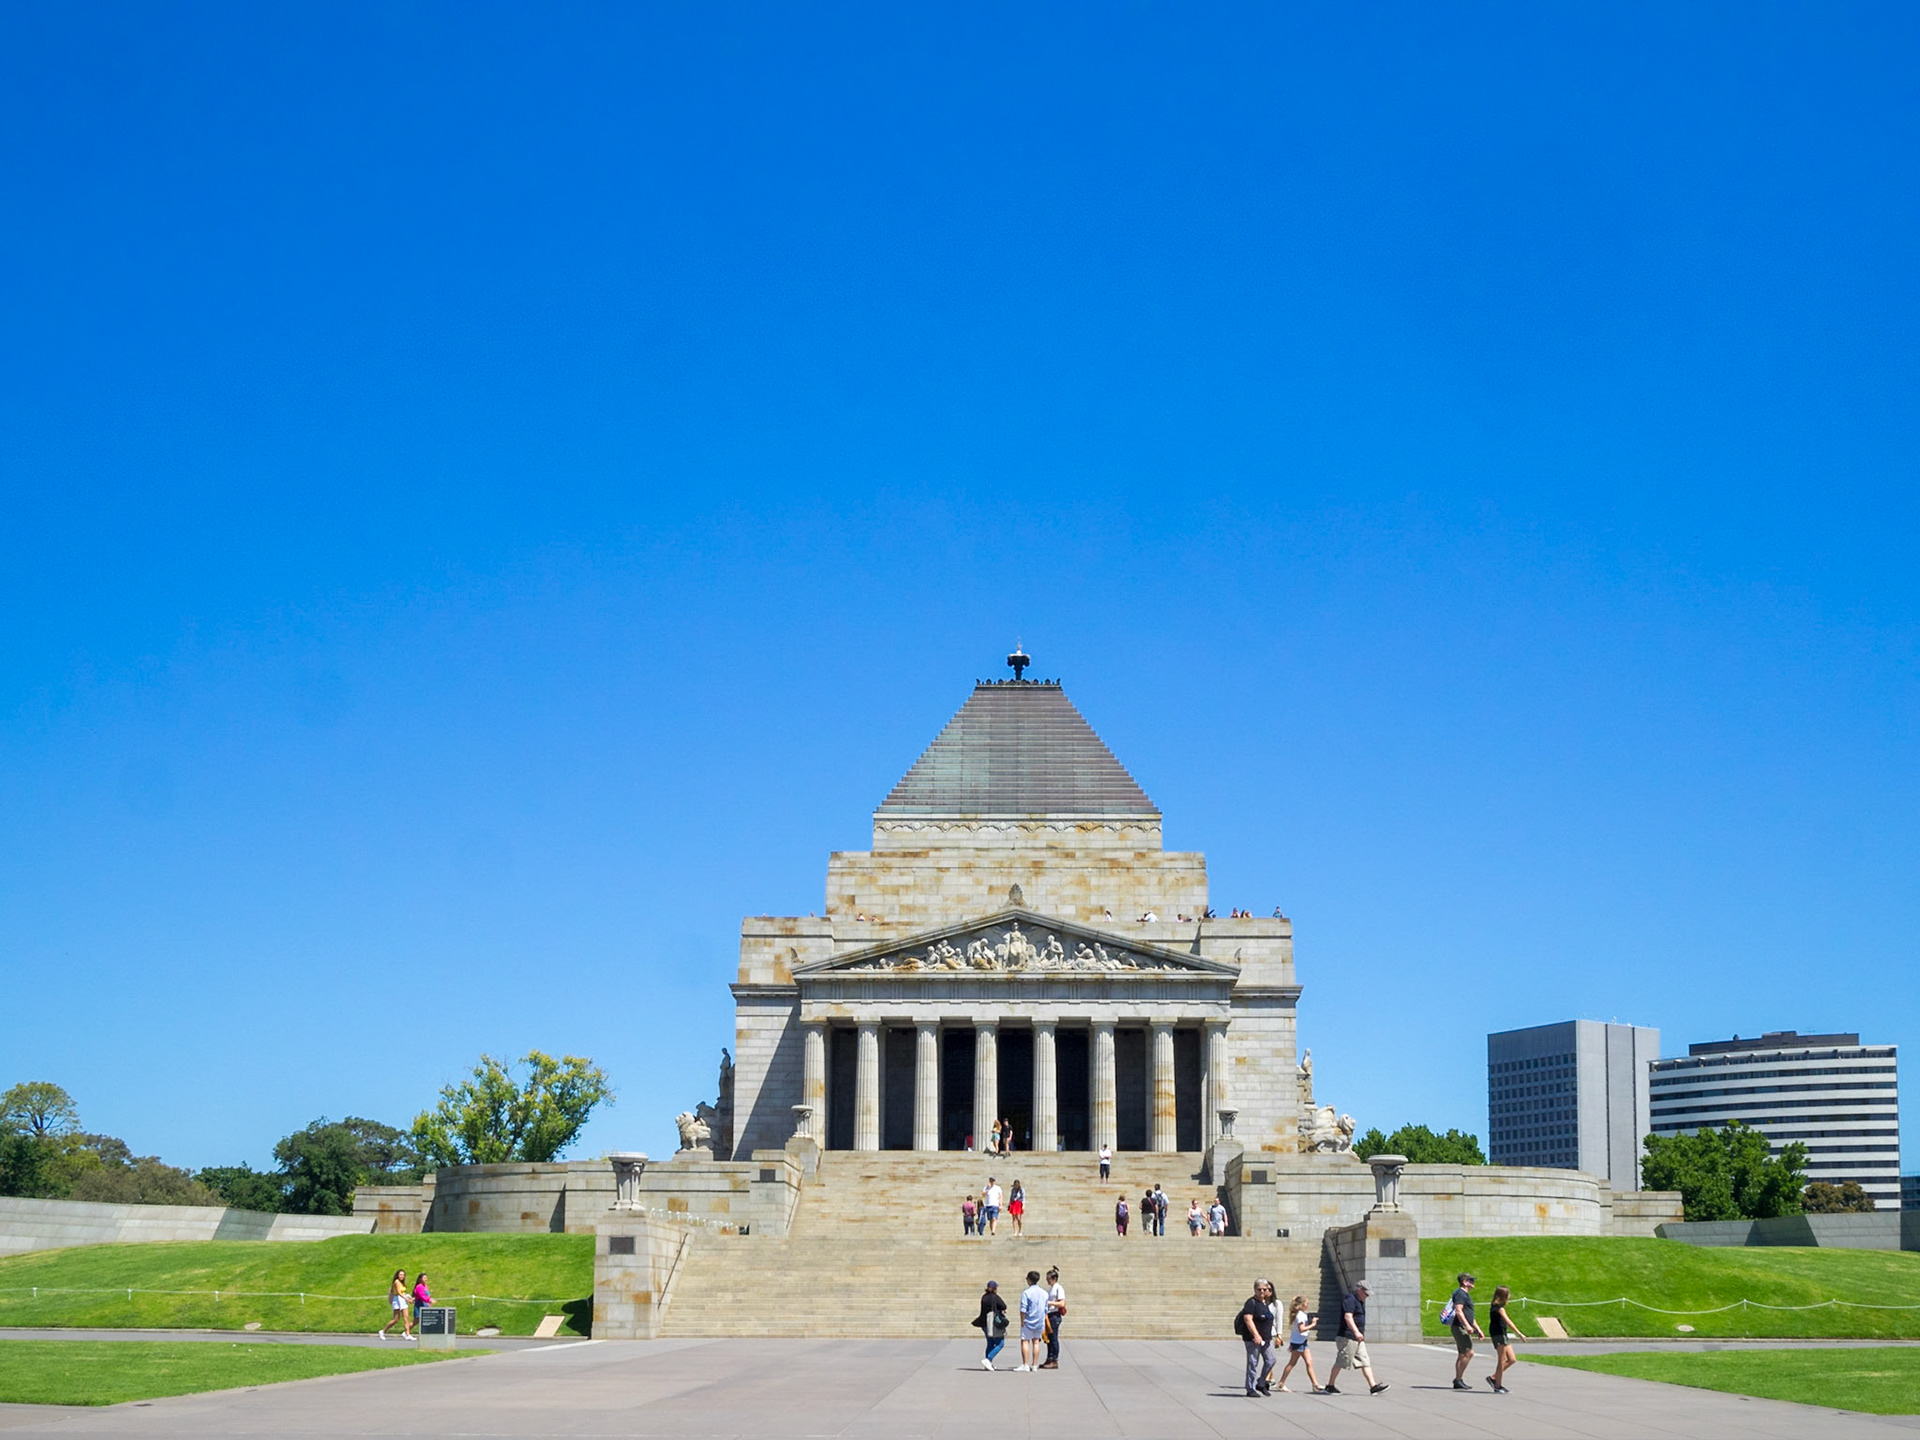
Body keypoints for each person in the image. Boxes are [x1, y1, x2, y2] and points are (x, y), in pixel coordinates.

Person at [1324, 1280, 1387, 1394]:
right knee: (1342, 1361)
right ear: (1359, 1289)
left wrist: (1358, 1334)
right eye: (1366, 1293)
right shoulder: (1350, 1299)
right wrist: (1356, 1332)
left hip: (1357, 1338)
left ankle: (1373, 1386)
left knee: (1364, 1360)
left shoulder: (1359, 1301)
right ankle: (1330, 1385)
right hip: (1347, 1336)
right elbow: (1348, 1317)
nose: (1367, 1296)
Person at [1236, 1278, 1278, 1396]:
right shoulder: (1251, 1302)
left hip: (1266, 1339)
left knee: (1271, 1360)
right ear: (1255, 1290)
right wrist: (1256, 1335)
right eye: (1259, 1289)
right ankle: (1250, 1388)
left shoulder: (1265, 1303)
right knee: (1253, 1363)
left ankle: (1261, 1382)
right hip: (1253, 1339)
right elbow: (1248, 1319)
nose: (1262, 1292)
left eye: (1264, 1289)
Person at [1275, 1293, 1320, 1393]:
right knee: (1292, 1363)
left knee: (1309, 1362)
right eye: (1307, 1304)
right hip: (1298, 1342)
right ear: (1302, 1305)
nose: (1308, 1305)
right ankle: (1281, 1383)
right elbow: (1301, 1329)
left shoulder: (1302, 1315)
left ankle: (1315, 1384)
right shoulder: (1300, 1316)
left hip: (1302, 1341)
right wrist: (1312, 1325)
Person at [1447, 1272, 1484, 1390]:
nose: (1473, 1282)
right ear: (1464, 1282)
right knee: (1469, 1352)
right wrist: (1467, 1326)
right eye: (1471, 1280)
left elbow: (1469, 1315)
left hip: (1462, 1325)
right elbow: (1459, 1311)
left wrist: (1477, 1328)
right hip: (1459, 1326)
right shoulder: (1461, 1294)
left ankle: (1458, 1380)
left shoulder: (1464, 1294)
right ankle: (1458, 1379)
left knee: (1462, 1354)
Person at [1486, 1283, 1517, 1393]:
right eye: (1508, 1295)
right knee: (1502, 1360)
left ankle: (1494, 1377)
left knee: (1512, 1359)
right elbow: (1508, 1321)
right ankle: (1497, 1386)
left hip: (1502, 1334)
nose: (1509, 1297)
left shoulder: (1498, 1307)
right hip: (1498, 1334)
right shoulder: (1499, 1308)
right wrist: (1519, 1333)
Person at [972, 1279, 1009, 1370]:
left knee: (990, 1343)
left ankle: (987, 1364)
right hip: (993, 1323)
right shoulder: (995, 1297)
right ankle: (988, 1359)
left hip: (984, 1323)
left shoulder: (984, 1297)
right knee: (1000, 1343)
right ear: (995, 1288)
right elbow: (1003, 1306)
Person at [1017, 1270, 1048, 1371]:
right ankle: (1034, 1365)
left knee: (1025, 1341)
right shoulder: (1044, 1293)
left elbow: (1023, 1309)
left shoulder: (1026, 1293)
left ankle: (1025, 1364)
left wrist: (1022, 1320)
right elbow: (1045, 1309)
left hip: (1029, 1320)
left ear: (1029, 1280)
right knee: (1036, 1342)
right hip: (1039, 1320)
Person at [1041, 1266, 1066, 1369]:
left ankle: (1054, 1359)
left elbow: (1061, 1303)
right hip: (1049, 1314)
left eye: (1049, 1279)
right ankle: (1049, 1358)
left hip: (1055, 1315)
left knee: (1054, 1338)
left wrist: (1049, 1303)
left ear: (1054, 1278)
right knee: (1049, 1338)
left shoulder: (1058, 1288)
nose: (1047, 1280)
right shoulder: (1051, 1288)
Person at [378, 1268, 412, 1339]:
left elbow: (403, 1292)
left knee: (406, 1317)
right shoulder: (396, 1282)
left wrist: (407, 1297)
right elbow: (399, 1293)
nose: (402, 1276)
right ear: (397, 1275)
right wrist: (407, 1299)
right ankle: (383, 1331)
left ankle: (407, 1334)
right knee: (396, 1319)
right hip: (397, 1300)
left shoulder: (402, 1283)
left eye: (403, 1275)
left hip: (403, 1300)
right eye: (400, 1275)